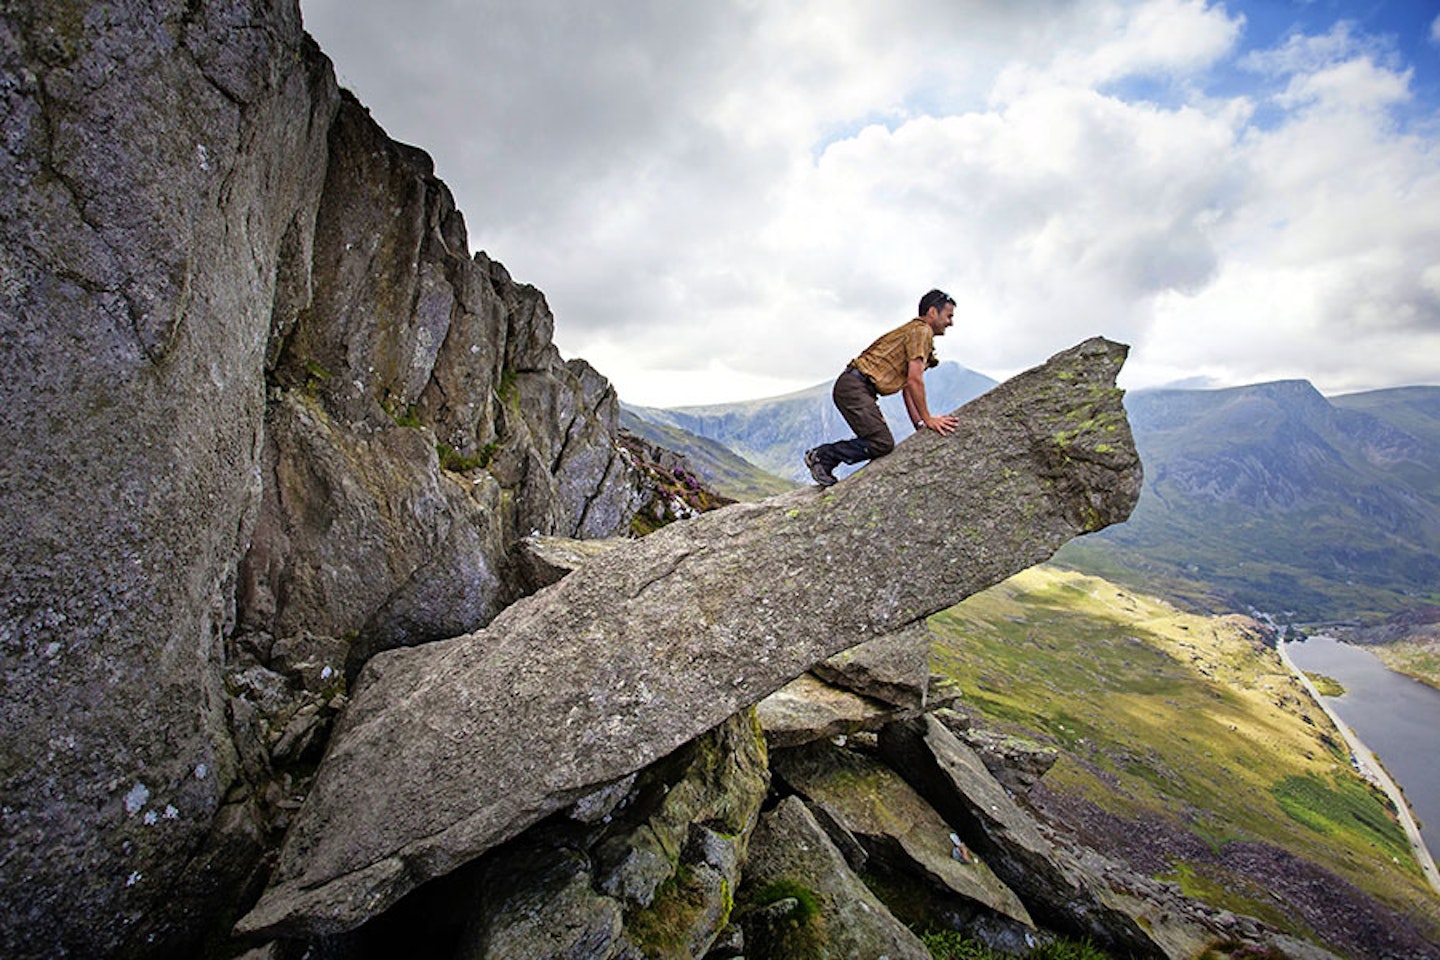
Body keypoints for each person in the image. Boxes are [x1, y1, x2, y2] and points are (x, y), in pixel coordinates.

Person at [804, 288, 961, 487]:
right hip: (856, 386)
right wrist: (928, 418)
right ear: (932, 312)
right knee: (881, 443)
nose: (951, 322)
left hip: (855, 386)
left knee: (878, 441)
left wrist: (919, 424)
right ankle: (822, 456)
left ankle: (824, 461)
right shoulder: (921, 331)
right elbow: (915, 380)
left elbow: (907, 387)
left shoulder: (916, 333)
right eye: (949, 316)